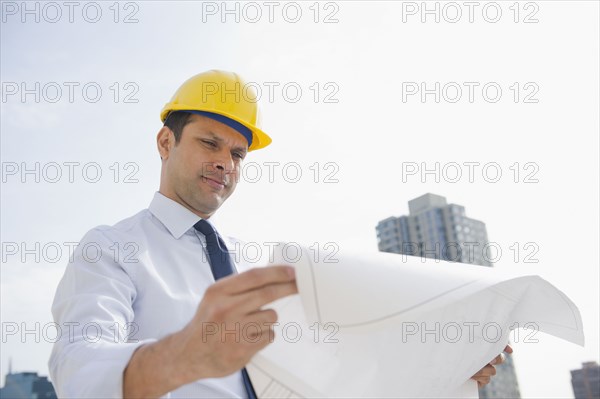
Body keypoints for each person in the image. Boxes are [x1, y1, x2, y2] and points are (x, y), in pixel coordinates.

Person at [49, 70, 510, 398]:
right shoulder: (111, 248)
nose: (225, 164)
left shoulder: (253, 266)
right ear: (166, 143)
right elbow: (77, 366)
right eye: (209, 143)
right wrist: (180, 357)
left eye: (238, 154)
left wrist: (447, 372)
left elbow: (331, 373)